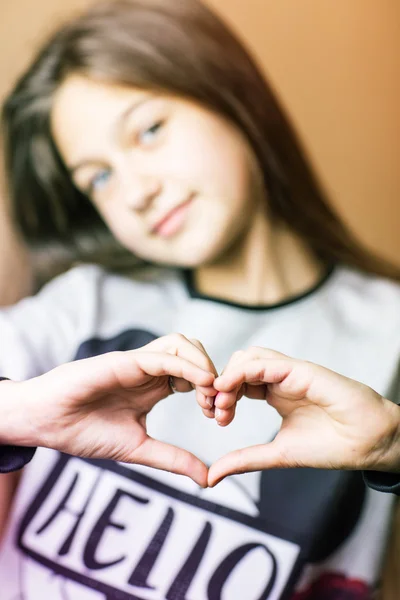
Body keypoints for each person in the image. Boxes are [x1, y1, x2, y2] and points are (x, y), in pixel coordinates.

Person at [0, 0, 400, 597]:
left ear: (229, 96)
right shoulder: (83, 307)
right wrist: (15, 414)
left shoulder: (388, 330)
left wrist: (394, 445)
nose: (135, 192)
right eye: (99, 177)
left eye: (149, 130)